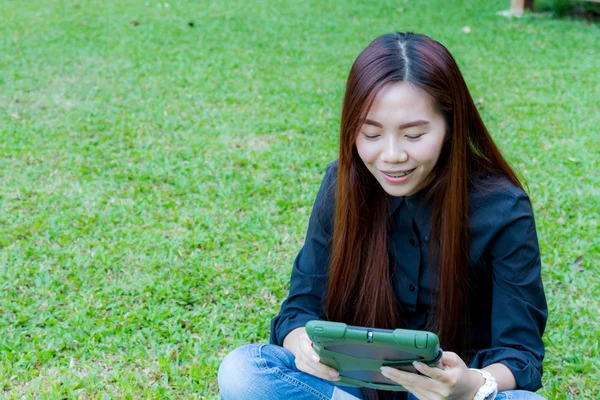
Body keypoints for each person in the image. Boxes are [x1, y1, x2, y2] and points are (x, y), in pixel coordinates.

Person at [217, 32, 548, 400]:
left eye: (414, 134)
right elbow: (300, 308)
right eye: (371, 134)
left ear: (451, 127)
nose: (391, 155)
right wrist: (303, 348)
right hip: (352, 391)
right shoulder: (342, 185)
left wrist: (471, 384)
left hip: (448, 397)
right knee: (243, 371)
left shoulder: (502, 208)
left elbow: (521, 355)